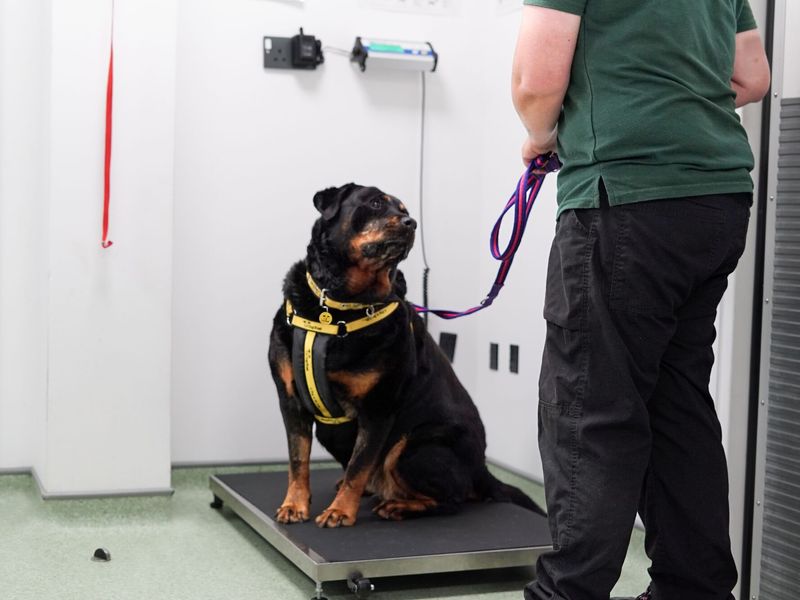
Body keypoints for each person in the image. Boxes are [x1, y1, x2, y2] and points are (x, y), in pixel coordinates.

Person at [511, 2, 771, 600]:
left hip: (625, 198)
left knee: (589, 412)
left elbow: (536, 82)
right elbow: (751, 76)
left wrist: (542, 136)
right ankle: (696, 589)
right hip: (717, 200)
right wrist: (678, 107)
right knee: (677, 404)